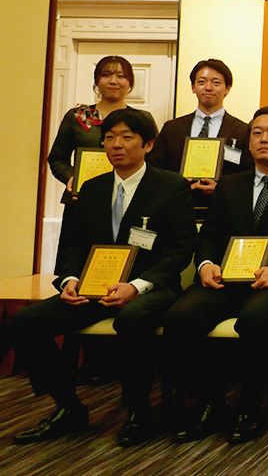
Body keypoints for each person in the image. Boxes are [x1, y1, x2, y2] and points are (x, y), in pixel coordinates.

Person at [10, 109, 195, 446]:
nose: (116, 145)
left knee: (133, 318)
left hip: (149, 289)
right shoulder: (91, 188)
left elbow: (181, 249)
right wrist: (69, 280)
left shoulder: (171, 186)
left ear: (148, 144)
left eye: (126, 137)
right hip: (93, 288)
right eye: (109, 138)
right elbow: (74, 245)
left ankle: (139, 412)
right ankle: (68, 406)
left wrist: (136, 286)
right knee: (25, 322)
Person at [163, 106, 268, 445]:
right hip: (224, 281)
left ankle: (249, 407)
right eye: (257, 133)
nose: (263, 139)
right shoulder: (229, 186)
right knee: (180, 316)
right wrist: (206, 265)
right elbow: (209, 235)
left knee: (255, 319)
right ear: (248, 142)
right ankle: (210, 402)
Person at [47, 55, 155, 199]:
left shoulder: (141, 118)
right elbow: (57, 159)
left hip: (130, 196)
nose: (113, 81)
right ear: (97, 80)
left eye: (121, 76)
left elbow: (154, 160)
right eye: (106, 75)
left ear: (130, 82)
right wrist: (71, 177)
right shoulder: (77, 116)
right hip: (82, 196)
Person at [148, 59, 250, 203]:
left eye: (216, 83)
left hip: (224, 206)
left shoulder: (242, 130)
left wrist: (221, 188)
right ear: (193, 87)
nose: (208, 87)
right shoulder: (171, 128)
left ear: (227, 88)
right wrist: (178, 184)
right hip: (177, 204)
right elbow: (155, 169)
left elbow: (249, 174)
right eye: (201, 82)